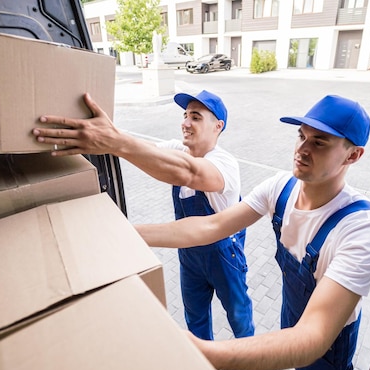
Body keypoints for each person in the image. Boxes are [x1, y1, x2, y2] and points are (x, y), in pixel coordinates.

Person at [135, 94, 370, 370]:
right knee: (291, 347)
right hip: (292, 313)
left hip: (327, 341)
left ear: (353, 156)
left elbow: (313, 337)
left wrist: (204, 352)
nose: (302, 150)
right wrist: (129, 232)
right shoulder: (281, 188)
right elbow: (212, 226)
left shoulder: (362, 229)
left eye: (319, 143)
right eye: (301, 136)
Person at [32, 90, 255, 341]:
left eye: (195, 117)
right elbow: (146, 151)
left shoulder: (225, 164)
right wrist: (108, 137)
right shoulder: (178, 148)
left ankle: (248, 348)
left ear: (218, 126)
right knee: (195, 314)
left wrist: (116, 142)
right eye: (184, 115)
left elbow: (189, 173)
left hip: (224, 255)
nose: (185, 123)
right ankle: (205, 363)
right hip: (189, 254)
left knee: (238, 314)